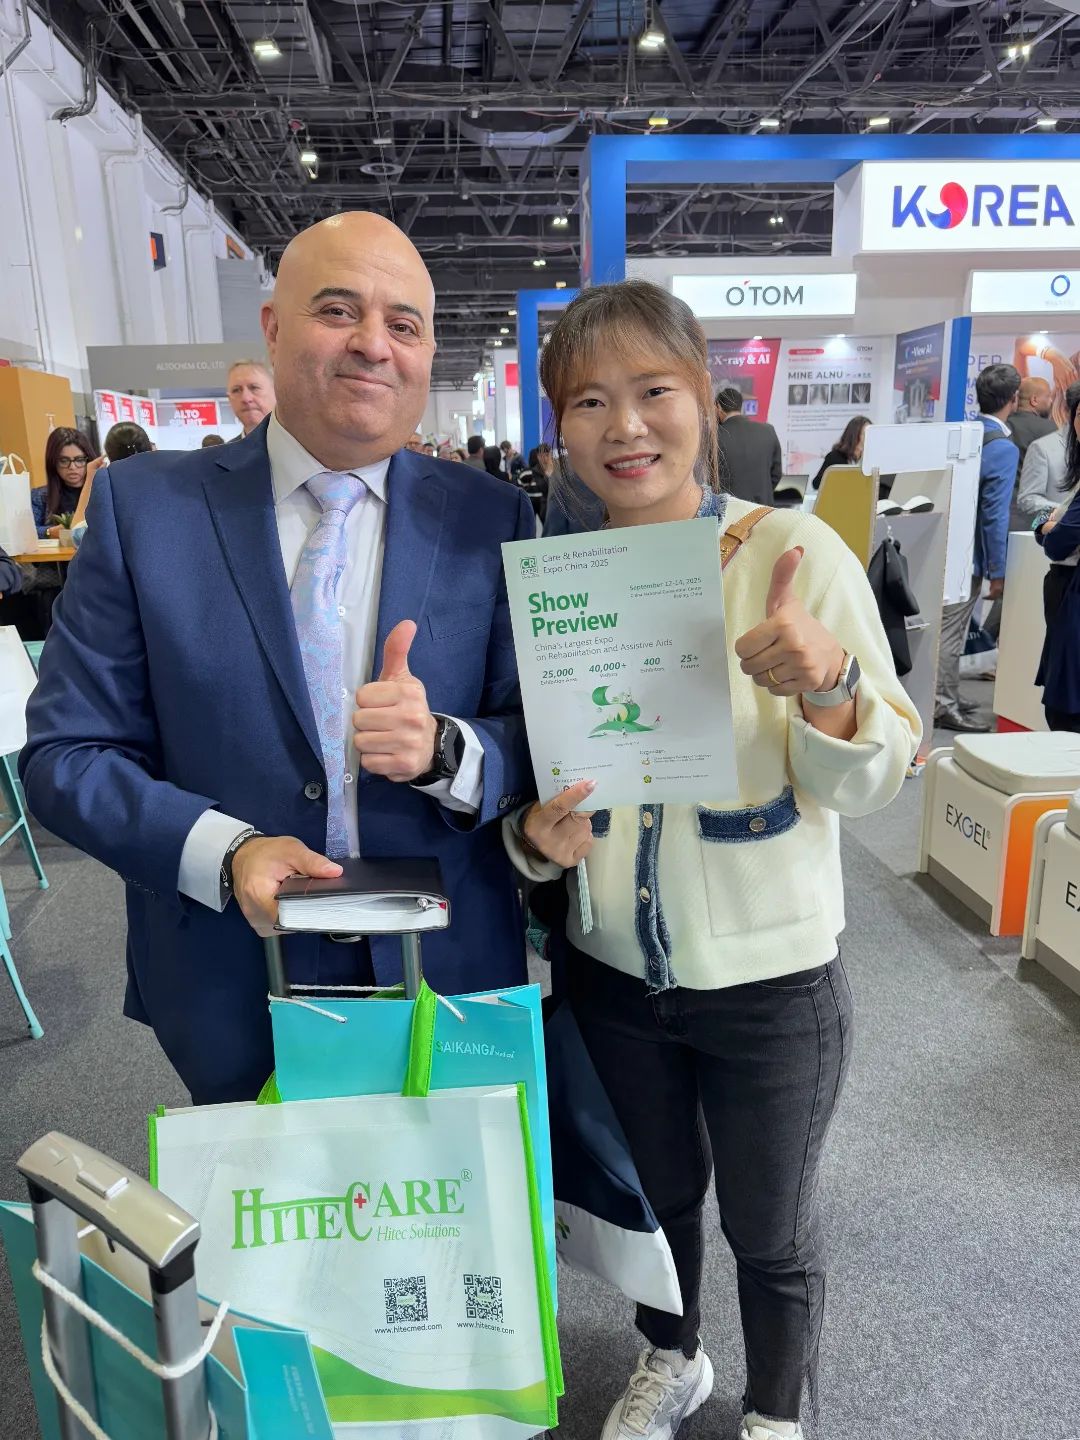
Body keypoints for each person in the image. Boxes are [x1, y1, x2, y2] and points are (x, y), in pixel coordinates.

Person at [506, 280, 920, 1440]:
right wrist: (535, 842)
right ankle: (674, 1356)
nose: (625, 426)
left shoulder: (792, 552)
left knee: (771, 1228)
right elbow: (543, 784)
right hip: (613, 975)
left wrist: (832, 687)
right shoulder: (558, 579)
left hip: (769, 981)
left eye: (653, 392)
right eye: (589, 401)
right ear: (560, 425)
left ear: (703, 399)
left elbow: (879, 775)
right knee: (660, 1200)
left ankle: (777, 1411)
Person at [21, 210, 536, 1105]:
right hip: (230, 974)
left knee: (451, 1200)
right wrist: (228, 852)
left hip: (448, 972)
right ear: (271, 328)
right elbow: (66, 756)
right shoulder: (147, 511)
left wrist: (447, 750)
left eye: (403, 324)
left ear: (426, 352)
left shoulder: (492, 517)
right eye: (338, 310)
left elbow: (540, 737)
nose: (372, 344)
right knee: (256, 1195)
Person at [935, 363, 1020, 733]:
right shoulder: (1001, 447)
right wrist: (998, 571)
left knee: (945, 628)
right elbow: (994, 515)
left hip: (941, 545)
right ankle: (942, 703)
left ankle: (947, 693)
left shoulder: (962, 434)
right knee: (951, 632)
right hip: (967, 556)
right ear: (1013, 399)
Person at [1033, 385, 1080, 727]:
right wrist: (1046, 525)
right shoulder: (1047, 449)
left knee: (1065, 710)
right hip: (1064, 589)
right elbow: (1039, 515)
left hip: (1073, 591)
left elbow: (1060, 540)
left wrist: (1051, 527)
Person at [69, 425, 155, 549]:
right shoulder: (172, 492)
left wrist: (90, 479)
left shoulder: (109, 506)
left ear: (109, 458)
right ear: (151, 449)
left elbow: (77, 536)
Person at [714, 386, 782, 505]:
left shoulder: (714, 436)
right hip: (762, 509)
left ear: (718, 407)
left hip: (729, 510)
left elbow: (710, 478)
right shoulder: (768, 431)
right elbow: (776, 474)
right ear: (740, 405)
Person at [34, 428, 97, 538]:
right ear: (53, 462)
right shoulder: (40, 496)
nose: (72, 467)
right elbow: (27, 531)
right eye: (64, 461)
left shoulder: (101, 491)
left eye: (79, 460)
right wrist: (49, 532)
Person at [810, 415, 870, 491]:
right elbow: (816, 484)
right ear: (854, 435)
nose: (869, 437)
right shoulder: (834, 457)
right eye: (865, 433)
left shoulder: (871, 458)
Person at [1008, 376, 1055, 469]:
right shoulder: (1049, 428)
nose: (1051, 401)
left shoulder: (1003, 424)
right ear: (1034, 400)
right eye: (1048, 396)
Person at [226, 360, 276, 436]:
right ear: (230, 400)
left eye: (254, 388)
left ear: (276, 393)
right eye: (236, 390)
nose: (246, 398)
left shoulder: (294, 441)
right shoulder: (230, 445)